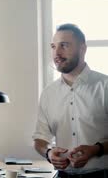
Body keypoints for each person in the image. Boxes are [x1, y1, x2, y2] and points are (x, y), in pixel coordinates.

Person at [33, 23, 108, 178]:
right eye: (53, 47)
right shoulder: (48, 93)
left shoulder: (105, 86)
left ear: (83, 49)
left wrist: (96, 149)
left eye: (64, 45)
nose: (57, 53)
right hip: (62, 175)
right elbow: (40, 139)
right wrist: (48, 152)